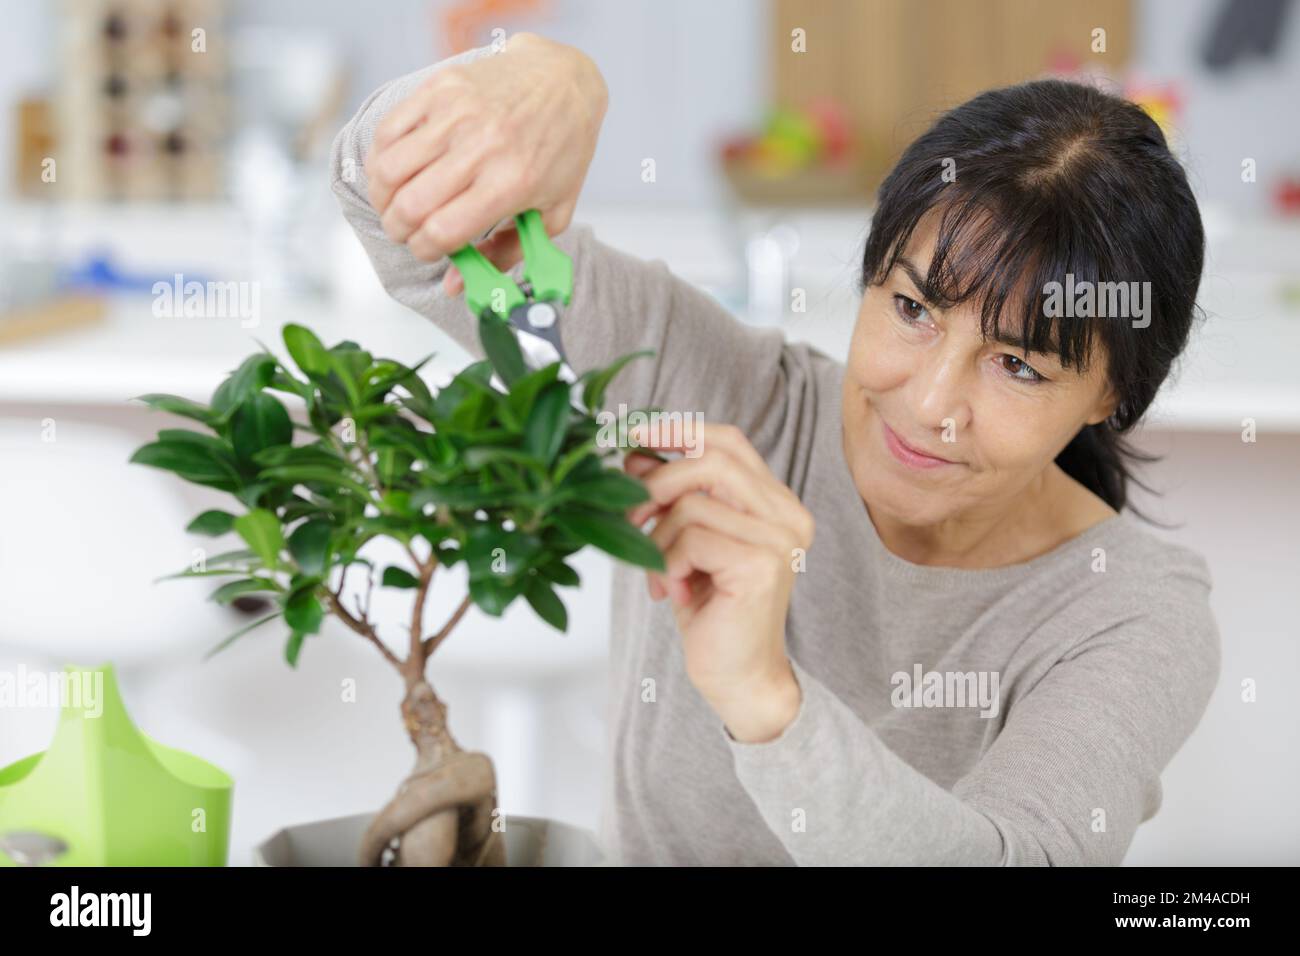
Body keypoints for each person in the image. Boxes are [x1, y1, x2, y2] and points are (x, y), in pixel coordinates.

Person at [329, 32, 1220, 865]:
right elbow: (395, 215)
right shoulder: (713, 388)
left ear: (1112, 394)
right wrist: (545, 76)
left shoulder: (1132, 616)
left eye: (1018, 365)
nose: (931, 402)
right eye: (911, 310)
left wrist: (765, 700)